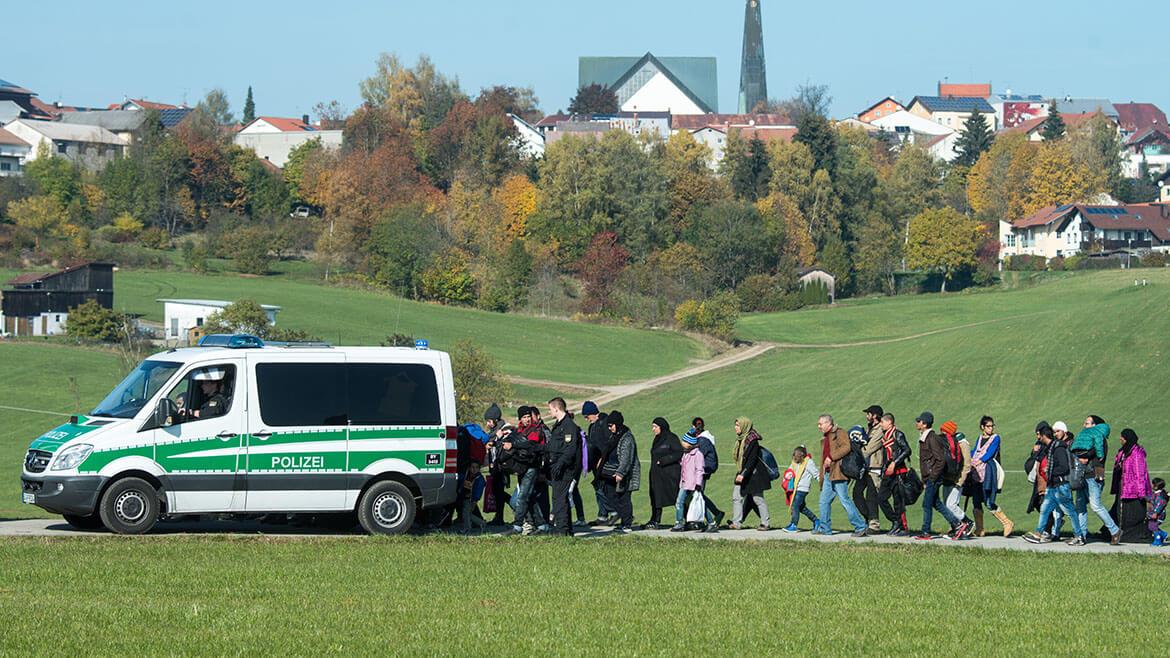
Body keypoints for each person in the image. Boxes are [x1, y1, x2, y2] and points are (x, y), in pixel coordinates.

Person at [1024, 425, 1084, 544]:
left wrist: (1050, 470)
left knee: (1070, 511)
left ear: (1044, 435)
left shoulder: (1058, 448)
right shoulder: (1051, 447)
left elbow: (1064, 467)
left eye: (1039, 435)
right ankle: (1038, 534)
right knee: (1044, 510)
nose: (1038, 438)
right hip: (1052, 486)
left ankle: (1079, 536)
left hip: (1061, 486)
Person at [913, 412, 968, 540]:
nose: (917, 423)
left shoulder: (931, 438)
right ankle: (957, 524)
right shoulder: (926, 437)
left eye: (919, 421)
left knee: (926, 505)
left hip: (934, 478)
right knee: (936, 503)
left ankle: (926, 531)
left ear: (925, 424)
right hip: (931, 477)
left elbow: (940, 460)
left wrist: (932, 477)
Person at [1071, 416, 1121, 545]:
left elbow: (1095, 455)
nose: (1084, 425)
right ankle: (1082, 535)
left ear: (1095, 425)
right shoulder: (1085, 439)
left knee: (1095, 506)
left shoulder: (1100, 440)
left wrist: (1084, 456)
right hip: (1083, 475)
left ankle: (1114, 530)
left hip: (1094, 475)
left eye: (1087, 423)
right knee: (1080, 505)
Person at [815, 415, 867, 537]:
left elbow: (846, 447)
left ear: (828, 423)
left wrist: (831, 457)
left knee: (844, 500)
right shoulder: (826, 437)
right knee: (823, 502)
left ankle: (860, 526)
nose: (819, 427)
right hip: (828, 474)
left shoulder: (840, 432)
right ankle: (825, 528)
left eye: (820, 424)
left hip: (838, 473)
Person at [546, 397, 582, 536]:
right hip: (557, 467)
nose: (549, 412)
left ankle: (561, 530)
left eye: (550, 409)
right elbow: (554, 446)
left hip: (565, 469)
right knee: (560, 498)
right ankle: (567, 530)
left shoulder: (568, 426)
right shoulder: (559, 425)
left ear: (556, 408)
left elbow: (570, 449)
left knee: (559, 499)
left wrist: (560, 463)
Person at [872, 413, 911, 536]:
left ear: (889, 422)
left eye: (882, 422)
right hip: (888, 472)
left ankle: (903, 527)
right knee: (881, 498)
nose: (881, 425)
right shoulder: (885, 437)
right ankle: (895, 520)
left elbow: (907, 450)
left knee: (898, 501)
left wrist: (895, 462)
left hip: (898, 472)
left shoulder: (898, 434)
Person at [1111, 428, 1153, 543]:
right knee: (1120, 511)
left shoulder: (1137, 453)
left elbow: (1140, 473)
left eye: (1122, 437)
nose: (1120, 439)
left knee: (1133, 513)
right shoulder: (1122, 451)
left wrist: (1141, 492)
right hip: (1123, 486)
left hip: (1132, 489)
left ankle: (1133, 534)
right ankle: (1119, 532)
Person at [1024, 421, 1064, 536]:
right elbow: (1031, 462)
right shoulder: (1039, 444)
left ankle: (1044, 531)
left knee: (1049, 506)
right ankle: (1045, 530)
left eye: (1038, 433)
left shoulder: (1052, 445)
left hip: (1049, 481)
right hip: (1040, 480)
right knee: (1040, 503)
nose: (1037, 436)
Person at [937, 421, 975, 540]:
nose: (942, 433)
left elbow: (967, 464)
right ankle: (956, 529)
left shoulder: (962, 443)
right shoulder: (948, 442)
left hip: (957, 480)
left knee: (951, 505)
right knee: (948, 505)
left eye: (944, 430)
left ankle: (967, 522)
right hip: (948, 478)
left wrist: (961, 480)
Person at [731, 417, 771, 530]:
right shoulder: (741, 439)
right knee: (736, 497)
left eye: (738, 425)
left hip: (754, 475)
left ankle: (765, 523)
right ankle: (736, 523)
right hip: (742, 472)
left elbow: (752, 460)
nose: (735, 427)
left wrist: (743, 474)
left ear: (744, 426)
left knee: (758, 498)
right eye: (736, 425)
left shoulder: (752, 441)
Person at [644, 417, 683, 530]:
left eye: (655, 427)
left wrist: (664, 460)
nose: (653, 429)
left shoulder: (672, 438)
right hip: (657, 475)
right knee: (656, 498)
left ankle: (684, 520)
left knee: (677, 499)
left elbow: (678, 453)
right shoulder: (657, 439)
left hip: (670, 475)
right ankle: (655, 520)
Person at [604, 411, 640, 532]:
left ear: (617, 424)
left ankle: (627, 524)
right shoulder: (614, 435)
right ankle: (625, 519)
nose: (610, 428)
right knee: (611, 496)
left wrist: (620, 473)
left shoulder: (627, 438)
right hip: (612, 472)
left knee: (624, 498)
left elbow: (626, 458)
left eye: (611, 425)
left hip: (625, 475)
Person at [582, 401, 614, 526]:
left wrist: (602, 458)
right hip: (595, 463)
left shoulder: (604, 423)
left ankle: (612, 512)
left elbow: (608, 444)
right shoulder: (593, 426)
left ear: (593, 413)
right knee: (598, 487)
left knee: (605, 488)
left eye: (587, 416)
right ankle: (602, 515)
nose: (586, 419)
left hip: (605, 462)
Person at [855, 405, 885, 532]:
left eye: (868, 414)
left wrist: (856, 450)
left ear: (875, 415)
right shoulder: (869, 428)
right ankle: (868, 518)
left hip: (874, 467)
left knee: (872, 496)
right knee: (856, 493)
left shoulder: (880, 430)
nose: (866, 416)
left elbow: (869, 448)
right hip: (865, 467)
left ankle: (874, 525)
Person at [672, 431, 710, 531]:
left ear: (690, 443)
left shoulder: (698, 455)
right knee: (679, 502)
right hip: (685, 483)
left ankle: (711, 522)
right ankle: (679, 522)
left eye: (684, 441)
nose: (682, 443)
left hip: (693, 484)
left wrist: (698, 483)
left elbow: (699, 470)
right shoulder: (686, 453)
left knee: (699, 503)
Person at [692, 417, 724, 528]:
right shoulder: (706, 437)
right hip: (705, 469)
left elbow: (698, 455)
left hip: (703, 470)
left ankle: (711, 517)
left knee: (698, 495)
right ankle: (715, 513)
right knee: (699, 494)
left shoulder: (702, 440)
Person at [483, 403, 512, 526]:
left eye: (489, 421)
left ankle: (515, 507)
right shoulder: (493, 432)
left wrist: (495, 441)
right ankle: (499, 517)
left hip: (501, 466)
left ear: (495, 420)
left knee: (499, 492)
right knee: (497, 492)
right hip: (494, 466)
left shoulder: (505, 430)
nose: (488, 424)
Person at [782, 445, 820, 532]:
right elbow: (789, 471)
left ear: (802, 456)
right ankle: (816, 520)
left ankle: (794, 524)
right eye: (794, 456)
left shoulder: (808, 462)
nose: (794, 458)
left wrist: (822, 485)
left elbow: (816, 474)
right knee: (801, 507)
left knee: (795, 506)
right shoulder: (795, 462)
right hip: (795, 488)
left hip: (803, 489)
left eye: (796, 456)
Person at [1149, 478, 1167, 547]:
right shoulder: (1157, 493)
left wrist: (1155, 513)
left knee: (1153, 526)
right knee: (1152, 526)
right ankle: (1163, 534)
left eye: (1152, 484)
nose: (1151, 485)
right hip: (1155, 514)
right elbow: (1151, 499)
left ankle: (1158, 540)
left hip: (1159, 515)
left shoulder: (1160, 496)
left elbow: (1159, 505)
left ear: (1156, 486)